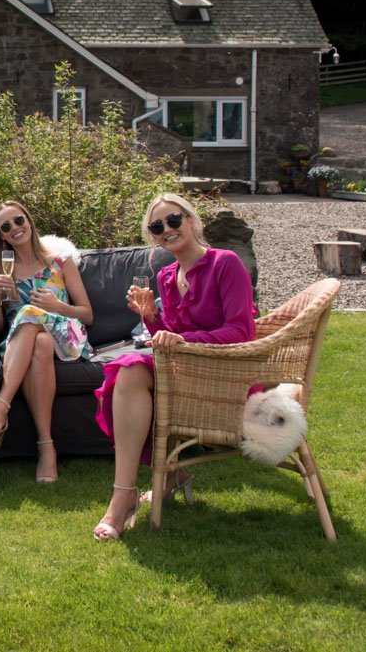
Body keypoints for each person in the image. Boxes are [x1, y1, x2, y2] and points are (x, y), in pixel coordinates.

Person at [91, 194, 256, 540]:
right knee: (128, 368)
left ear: (192, 221)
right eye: (157, 226)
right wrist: (152, 318)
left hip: (227, 376)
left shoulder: (225, 263)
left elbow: (241, 331)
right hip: (186, 370)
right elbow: (173, 339)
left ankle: (147, 487)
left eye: (173, 220)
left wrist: (182, 341)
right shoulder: (166, 276)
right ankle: (126, 493)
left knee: (132, 368)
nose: (166, 229)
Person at [0, 200, 93, 484]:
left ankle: (1, 407)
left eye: (19, 220)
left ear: (29, 221)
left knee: (28, 312)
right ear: (0, 235)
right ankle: (46, 448)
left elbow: (88, 315)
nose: (15, 228)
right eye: (6, 226)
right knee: (40, 344)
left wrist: (57, 306)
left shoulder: (60, 262)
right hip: (23, 344)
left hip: (68, 336)